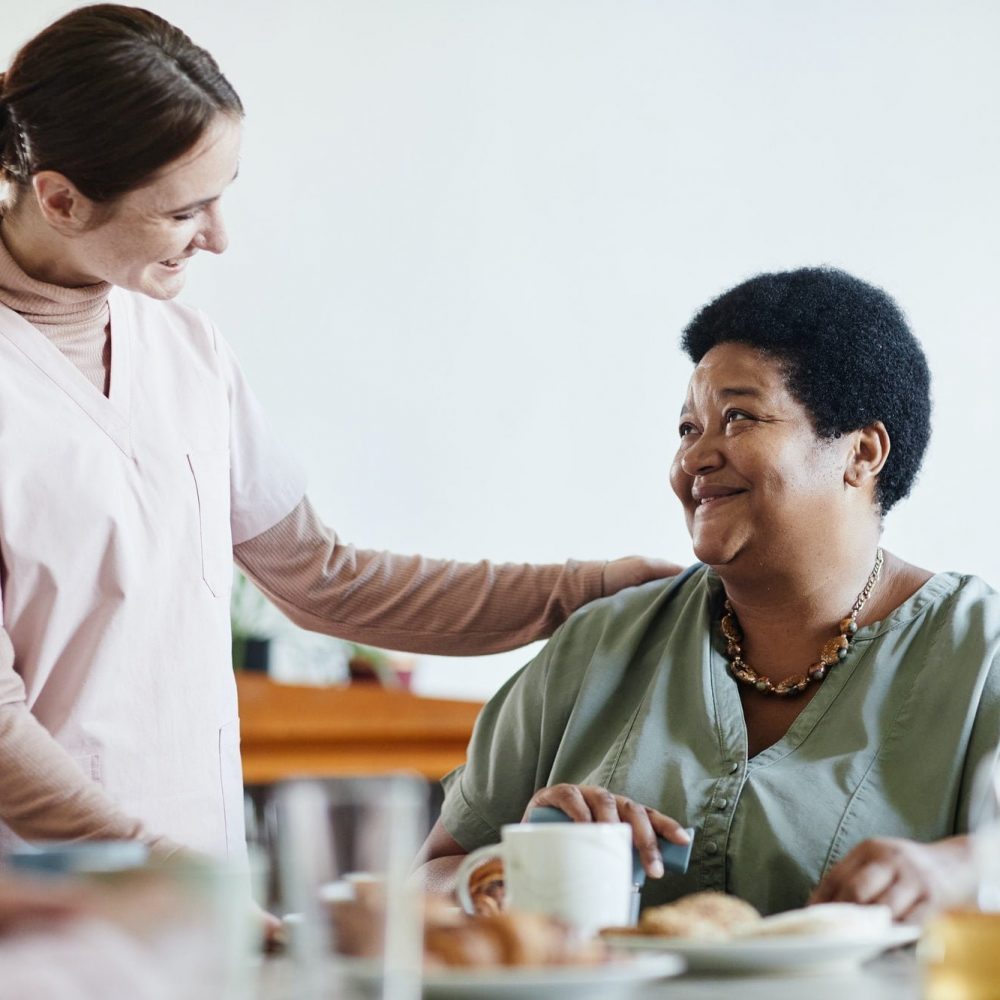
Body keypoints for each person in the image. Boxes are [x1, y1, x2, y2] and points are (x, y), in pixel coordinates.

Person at [0, 5, 678, 861]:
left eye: (223, 198)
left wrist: (583, 590)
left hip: (195, 899)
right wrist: (161, 873)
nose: (218, 238)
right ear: (60, 198)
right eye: (184, 212)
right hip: (46, 905)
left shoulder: (187, 353)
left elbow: (324, 579)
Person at [418, 267, 1000, 922]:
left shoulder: (980, 655)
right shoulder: (597, 647)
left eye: (738, 418)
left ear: (861, 453)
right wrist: (522, 864)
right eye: (689, 429)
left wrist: (959, 868)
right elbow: (424, 884)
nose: (695, 458)